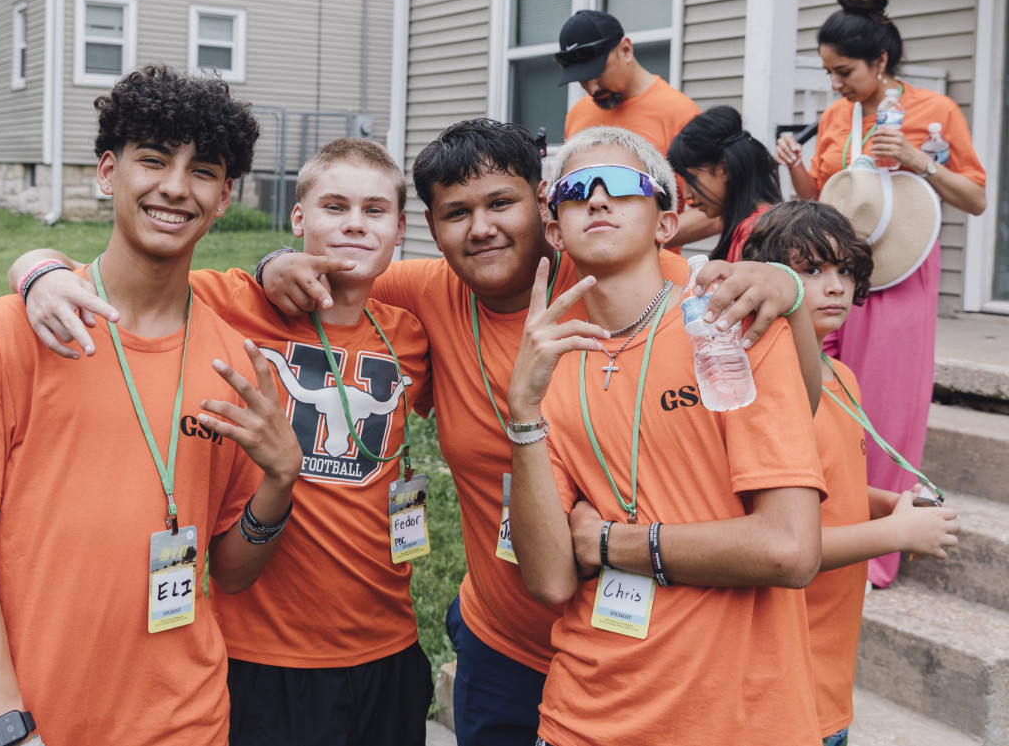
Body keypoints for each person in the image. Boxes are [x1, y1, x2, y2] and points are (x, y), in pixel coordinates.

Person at [256, 119, 814, 746]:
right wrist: (275, 261)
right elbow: (335, 271)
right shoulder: (427, 294)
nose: (481, 228)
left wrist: (788, 285)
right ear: (433, 231)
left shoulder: (625, 276)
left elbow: (787, 408)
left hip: (653, 652)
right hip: (505, 642)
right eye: (456, 213)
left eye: (501, 203)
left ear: (543, 210)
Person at [0, 65, 303, 746]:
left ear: (223, 197)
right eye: (153, 160)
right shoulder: (8, 332)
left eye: (202, 171)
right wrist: (8, 726)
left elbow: (231, 572)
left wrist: (279, 482)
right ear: (106, 171)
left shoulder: (235, 365)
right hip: (23, 722)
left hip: (182, 722)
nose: (175, 186)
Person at [5, 139, 434, 745]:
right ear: (299, 217)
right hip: (261, 654)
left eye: (375, 211)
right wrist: (37, 273)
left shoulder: (410, 334)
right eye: (335, 207)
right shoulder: (228, 303)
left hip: (389, 645)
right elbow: (83, 273)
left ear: (401, 229)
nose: (355, 225)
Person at [507, 126, 826, 745]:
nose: (597, 198)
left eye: (621, 184)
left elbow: (789, 549)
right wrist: (522, 410)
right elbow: (548, 579)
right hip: (581, 720)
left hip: (738, 725)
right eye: (575, 189)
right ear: (555, 230)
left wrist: (609, 543)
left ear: (667, 222)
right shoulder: (550, 364)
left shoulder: (735, 326)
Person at [774, 0, 986, 586]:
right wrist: (795, 167)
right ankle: (832, 524)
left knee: (886, 403)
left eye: (843, 72)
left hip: (901, 269)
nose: (834, 84)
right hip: (837, 268)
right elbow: (820, 200)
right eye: (828, 72)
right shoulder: (835, 117)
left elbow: (975, 198)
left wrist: (921, 161)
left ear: (881, 61)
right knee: (828, 390)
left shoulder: (935, 111)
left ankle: (882, 550)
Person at [742, 200, 960, 744]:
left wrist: (885, 504)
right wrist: (895, 535)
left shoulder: (840, 375)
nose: (835, 286)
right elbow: (782, 537)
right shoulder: (765, 384)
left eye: (844, 270)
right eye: (812, 270)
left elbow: (822, 486)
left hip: (833, 667)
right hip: (783, 678)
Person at [556, 9, 716, 247]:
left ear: (626, 50)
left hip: (654, 269)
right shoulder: (577, 114)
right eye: (582, 78)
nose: (592, 88)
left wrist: (636, 241)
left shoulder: (679, 113)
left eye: (597, 72)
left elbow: (712, 214)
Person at [667, 105, 783, 262]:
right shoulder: (759, 223)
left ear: (725, 170)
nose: (687, 194)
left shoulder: (755, 232)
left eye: (692, 179)